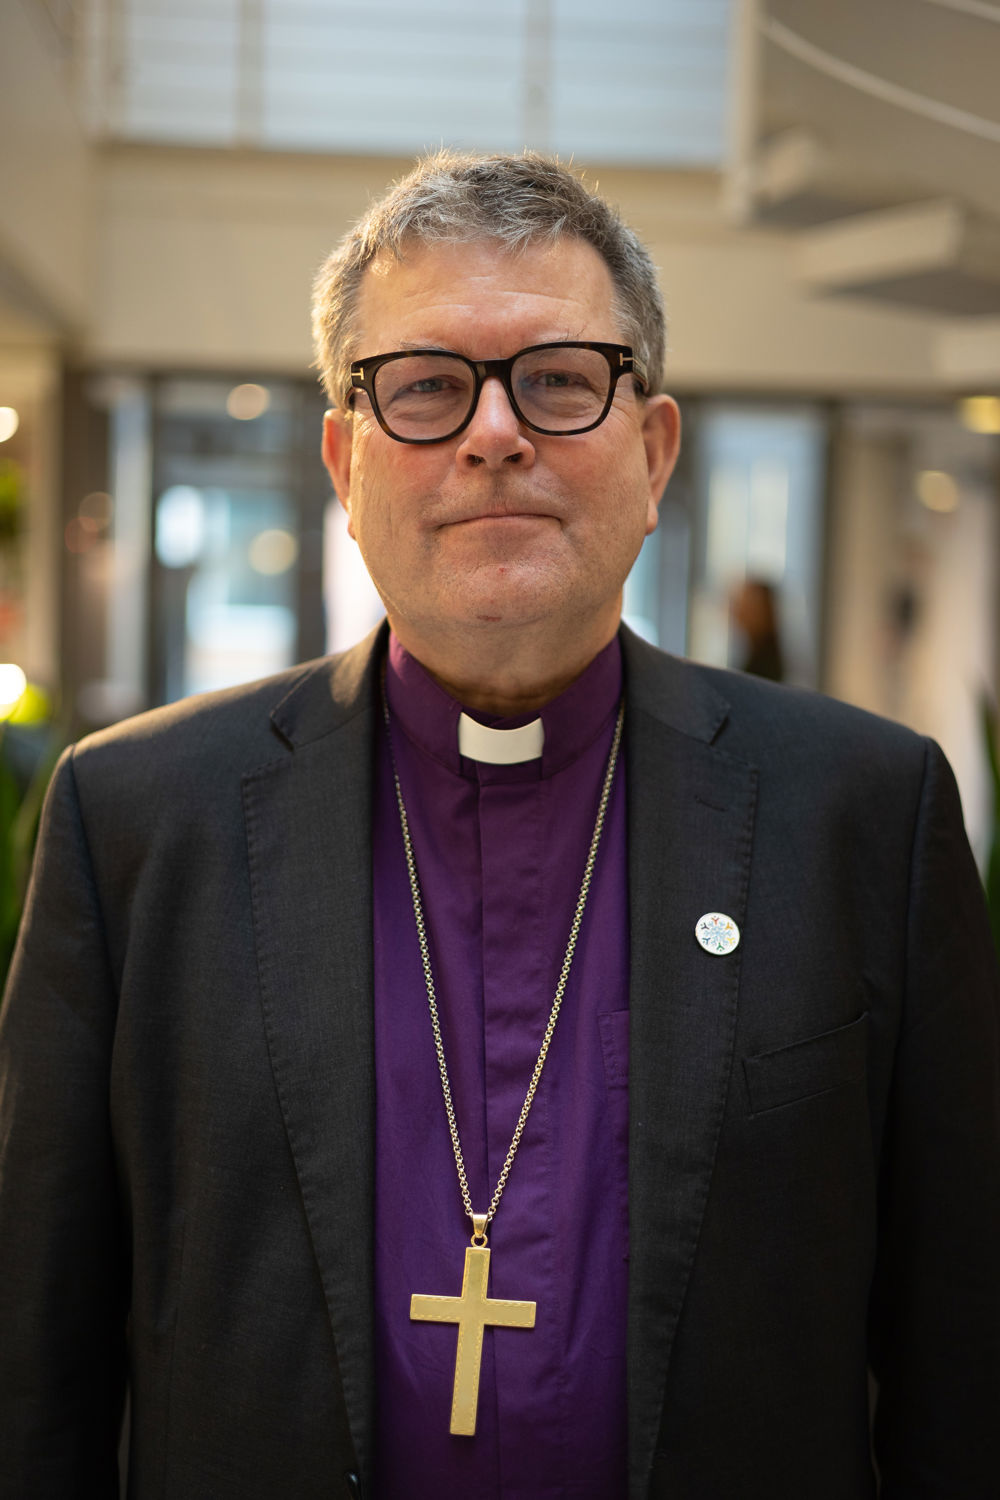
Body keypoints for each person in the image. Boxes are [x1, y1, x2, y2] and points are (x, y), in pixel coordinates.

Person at [1, 151, 998, 1500]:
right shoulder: (135, 822)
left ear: (653, 453)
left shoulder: (864, 818)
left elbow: (959, 1364)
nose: (493, 434)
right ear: (345, 467)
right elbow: (34, 1369)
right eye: (425, 386)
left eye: (559, 378)